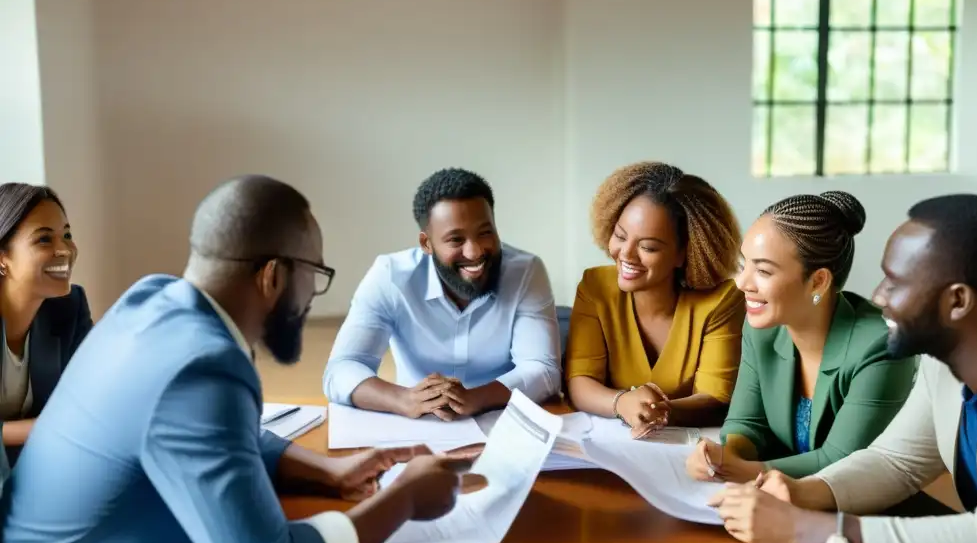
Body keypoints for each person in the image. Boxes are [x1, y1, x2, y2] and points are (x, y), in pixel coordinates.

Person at [0, 175, 482, 543]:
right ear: (274, 276)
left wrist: (322, 469)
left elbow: (200, 429)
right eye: (314, 276)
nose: (312, 297)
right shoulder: (205, 365)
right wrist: (405, 499)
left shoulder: (153, 298)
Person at [710, 193, 977, 543]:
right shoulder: (942, 357)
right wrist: (802, 492)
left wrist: (811, 531)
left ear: (957, 301)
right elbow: (896, 460)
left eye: (897, 282)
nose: (878, 296)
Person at [686, 192, 916, 483]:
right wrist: (725, 456)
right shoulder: (763, 330)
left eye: (763, 270)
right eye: (746, 265)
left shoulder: (881, 347)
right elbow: (747, 421)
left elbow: (841, 461)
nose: (742, 283)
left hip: (866, 511)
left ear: (818, 281)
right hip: (786, 502)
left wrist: (747, 471)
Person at [323, 168, 561, 419]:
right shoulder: (390, 276)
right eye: (456, 240)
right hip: (417, 423)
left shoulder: (526, 271)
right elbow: (341, 369)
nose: (475, 252)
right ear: (427, 243)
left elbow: (542, 368)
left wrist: (475, 398)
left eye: (485, 232)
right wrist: (403, 399)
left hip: (501, 415)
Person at [565, 162, 745, 436]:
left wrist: (655, 412)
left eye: (647, 247)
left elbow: (716, 399)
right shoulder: (595, 287)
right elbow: (580, 382)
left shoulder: (721, 301)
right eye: (620, 236)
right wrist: (621, 403)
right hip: (611, 445)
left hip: (689, 450)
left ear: (684, 252)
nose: (626, 254)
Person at [0, 183, 92, 493]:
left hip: (40, 469)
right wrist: (40, 429)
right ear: (3, 258)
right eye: (44, 238)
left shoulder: (70, 307)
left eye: (66, 235)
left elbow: (90, 401)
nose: (65, 249)